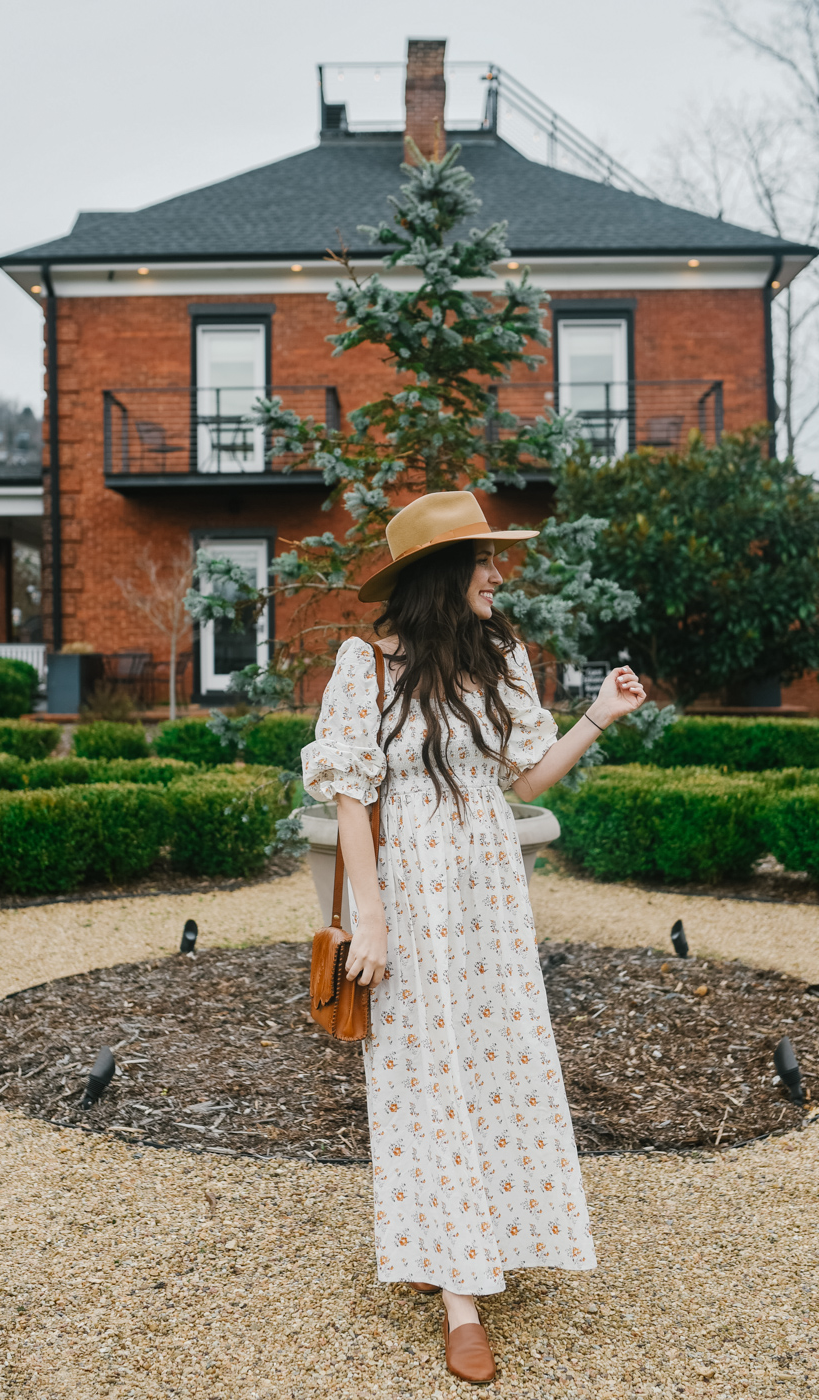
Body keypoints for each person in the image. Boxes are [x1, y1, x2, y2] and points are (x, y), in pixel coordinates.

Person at [301, 491, 646, 1385]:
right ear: (444, 575)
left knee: (496, 1069)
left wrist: (599, 714)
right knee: (428, 1079)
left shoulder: (503, 661)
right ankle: (461, 1301)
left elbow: (526, 776)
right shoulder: (364, 666)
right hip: (411, 903)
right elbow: (352, 799)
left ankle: (462, 1240)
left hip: (490, 903)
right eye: (485, 559)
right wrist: (369, 918)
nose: (499, 572)